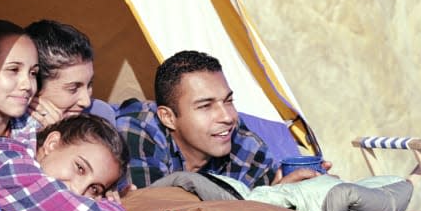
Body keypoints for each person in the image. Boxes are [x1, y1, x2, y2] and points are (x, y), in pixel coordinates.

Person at [116, 50, 329, 189]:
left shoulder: (246, 146)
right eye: (206, 106)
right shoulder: (138, 131)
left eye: (228, 101)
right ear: (168, 117)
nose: (227, 117)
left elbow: (268, 202)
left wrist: (284, 193)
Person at [0, 113, 130, 211]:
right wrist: (114, 208)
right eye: (80, 168)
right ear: (52, 144)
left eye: (94, 189)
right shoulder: (3, 157)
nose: (78, 189)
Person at [24, 20, 105, 128]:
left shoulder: (99, 115)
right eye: (73, 88)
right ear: (34, 86)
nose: (86, 102)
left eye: (89, 85)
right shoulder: (5, 130)